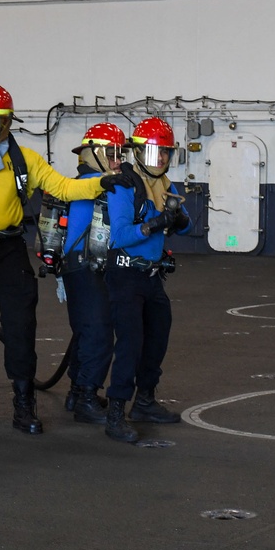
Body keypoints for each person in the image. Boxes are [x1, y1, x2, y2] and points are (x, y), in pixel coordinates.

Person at [0, 84, 134, 435]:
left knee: (20, 328)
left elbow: (64, 188)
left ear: (4, 124)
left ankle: (23, 404)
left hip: (8, 252)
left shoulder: (25, 160)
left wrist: (103, 181)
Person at [103, 117, 192, 443]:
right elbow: (121, 234)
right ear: (139, 153)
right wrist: (156, 224)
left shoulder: (167, 185)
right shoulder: (123, 185)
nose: (161, 160)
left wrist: (177, 218)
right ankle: (115, 412)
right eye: (155, 154)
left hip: (152, 276)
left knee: (157, 338)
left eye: (166, 154)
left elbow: (185, 226)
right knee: (130, 344)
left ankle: (144, 401)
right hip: (125, 273)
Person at [59, 123, 127, 425]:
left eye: (120, 154)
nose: (118, 160)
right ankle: (86, 397)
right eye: (112, 153)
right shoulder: (100, 185)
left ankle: (77, 391)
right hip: (88, 265)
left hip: (77, 266)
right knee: (99, 332)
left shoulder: (82, 183)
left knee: (86, 331)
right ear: (97, 154)